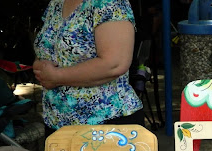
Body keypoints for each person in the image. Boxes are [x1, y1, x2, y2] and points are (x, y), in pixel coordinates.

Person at [33, 0, 144, 135]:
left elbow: (114, 64)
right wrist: (39, 65)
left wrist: (56, 76)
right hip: (56, 123)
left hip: (106, 125)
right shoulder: (56, 3)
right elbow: (48, 48)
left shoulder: (109, 3)